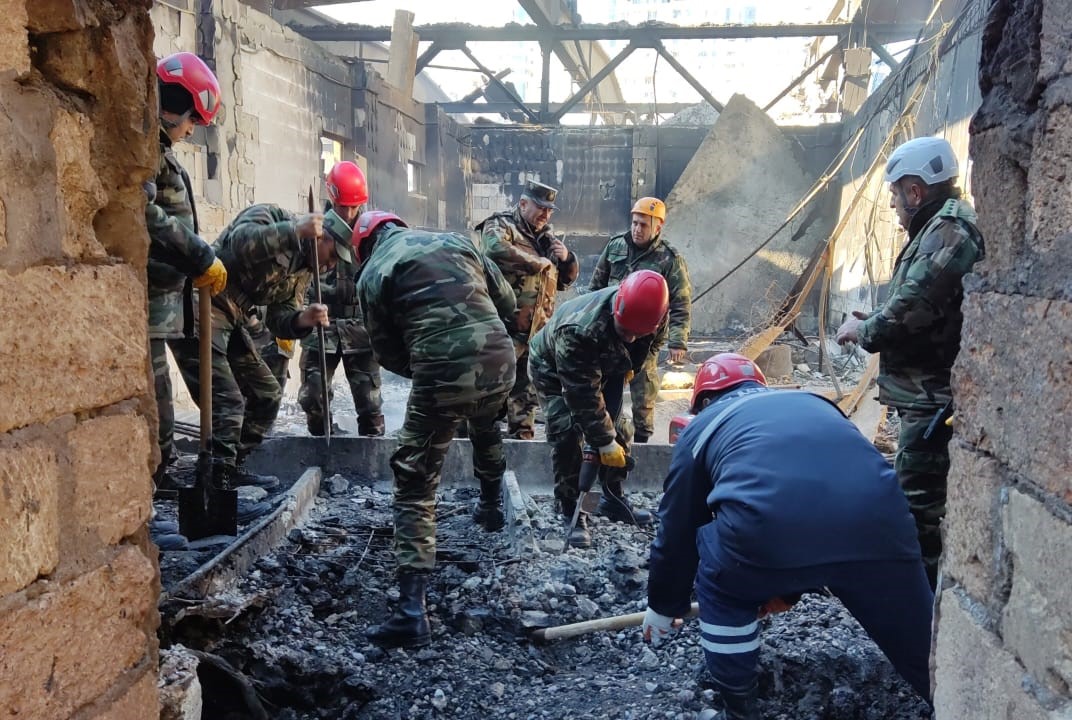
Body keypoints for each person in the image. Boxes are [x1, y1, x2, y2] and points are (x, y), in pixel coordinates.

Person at [641, 353, 933, 720]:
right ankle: (964, 702)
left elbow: (678, 527)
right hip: (882, 520)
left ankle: (738, 704)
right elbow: (815, 494)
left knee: (715, 566)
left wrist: (664, 604)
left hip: (768, 535)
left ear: (702, 401)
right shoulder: (816, 404)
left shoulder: (702, 428)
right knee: (925, 646)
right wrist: (786, 588)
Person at [355, 211, 517, 648]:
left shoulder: (372, 273)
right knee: (486, 424)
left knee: (415, 480)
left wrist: (435, 368)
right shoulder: (457, 240)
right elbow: (505, 303)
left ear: (364, 245)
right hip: (501, 360)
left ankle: (411, 612)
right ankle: (490, 508)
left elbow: (386, 353)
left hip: (442, 367)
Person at [835, 136, 985, 589]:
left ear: (915, 192)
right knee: (918, 504)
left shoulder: (951, 232)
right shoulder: (938, 228)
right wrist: (876, 317)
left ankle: (924, 623)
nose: (895, 208)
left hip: (934, 399)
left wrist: (866, 329)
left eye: (896, 196)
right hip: (925, 396)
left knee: (919, 515)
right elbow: (914, 305)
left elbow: (910, 305)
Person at [168, 203, 336, 500]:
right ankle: (214, 487)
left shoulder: (305, 270)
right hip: (201, 301)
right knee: (227, 400)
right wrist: (294, 231)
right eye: (333, 255)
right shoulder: (275, 216)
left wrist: (302, 319)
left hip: (235, 316)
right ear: (322, 237)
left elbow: (279, 317)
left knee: (266, 394)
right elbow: (242, 242)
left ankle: (229, 467)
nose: (331, 266)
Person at [528, 270, 669, 547]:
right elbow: (582, 395)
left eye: (637, 333)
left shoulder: (655, 313)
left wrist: (626, 370)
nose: (631, 338)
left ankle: (612, 498)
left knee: (621, 426)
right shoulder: (578, 331)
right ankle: (570, 506)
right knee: (568, 429)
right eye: (625, 330)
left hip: (607, 363)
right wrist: (602, 441)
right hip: (554, 370)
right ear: (618, 309)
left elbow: (651, 347)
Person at [147, 52, 227, 498]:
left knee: (160, 407)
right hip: (148, 305)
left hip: (165, 303)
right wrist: (199, 256)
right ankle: (152, 502)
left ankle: (162, 487)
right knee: (156, 411)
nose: (192, 128)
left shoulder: (159, 150)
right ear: (172, 107)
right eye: (192, 119)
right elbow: (145, 215)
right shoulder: (146, 151)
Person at [476, 180, 580, 439]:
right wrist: (537, 263)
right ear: (523, 204)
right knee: (490, 389)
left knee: (526, 394)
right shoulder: (501, 225)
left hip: (536, 333)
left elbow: (564, 282)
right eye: (540, 208)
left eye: (549, 210)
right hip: (503, 329)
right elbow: (494, 249)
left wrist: (567, 259)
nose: (545, 215)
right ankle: (478, 442)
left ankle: (521, 440)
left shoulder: (547, 237)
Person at [588, 196, 692, 442]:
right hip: (611, 335)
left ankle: (643, 441)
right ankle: (606, 438)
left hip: (646, 339)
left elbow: (681, 301)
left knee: (643, 393)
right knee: (604, 390)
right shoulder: (615, 248)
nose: (637, 229)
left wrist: (677, 341)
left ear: (658, 226)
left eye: (644, 225)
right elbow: (596, 288)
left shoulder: (669, 259)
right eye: (635, 223)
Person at [298, 162, 385, 437]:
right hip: (321, 326)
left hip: (359, 329)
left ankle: (372, 462)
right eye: (342, 206)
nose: (348, 213)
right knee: (313, 399)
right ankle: (324, 449)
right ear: (331, 198)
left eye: (353, 207)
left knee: (370, 408)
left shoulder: (372, 232)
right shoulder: (312, 231)